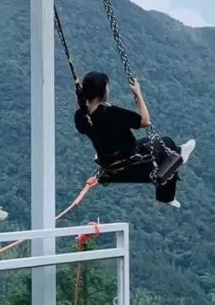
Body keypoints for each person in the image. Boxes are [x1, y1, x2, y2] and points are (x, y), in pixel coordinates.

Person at [74, 71, 195, 207]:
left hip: (110, 158)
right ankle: (169, 188)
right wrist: (138, 94)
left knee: (157, 142)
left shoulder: (82, 117)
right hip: (130, 158)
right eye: (107, 87)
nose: (109, 89)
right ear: (102, 91)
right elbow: (145, 121)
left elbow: (80, 108)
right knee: (168, 145)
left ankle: (178, 163)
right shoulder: (111, 113)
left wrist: (80, 95)